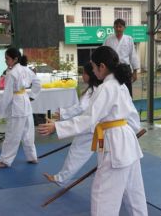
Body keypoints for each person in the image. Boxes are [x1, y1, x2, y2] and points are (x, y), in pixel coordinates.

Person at [38, 46, 148, 216]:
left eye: (94, 67)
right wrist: (136, 129)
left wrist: (57, 126)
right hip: (127, 142)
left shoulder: (106, 87)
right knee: (134, 195)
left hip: (116, 145)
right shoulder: (120, 84)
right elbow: (132, 113)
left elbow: (88, 120)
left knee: (102, 197)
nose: (93, 71)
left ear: (102, 66)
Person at [43, 63, 102, 186]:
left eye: (84, 73)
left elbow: (80, 108)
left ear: (90, 75)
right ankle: (61, 178)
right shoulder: (96, 89)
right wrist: (62, 115)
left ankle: (61, 179)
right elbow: (80, 108)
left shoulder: (93, 91)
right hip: (97, 129)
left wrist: (62, 115)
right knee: (101, 153)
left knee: (77, 152)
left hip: (91, 129)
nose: (82, 76)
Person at [0, 47, 41, 169]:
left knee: (12, 134)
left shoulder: (12, 74)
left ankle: (4, 161)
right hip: (25, 102)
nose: (6, 61)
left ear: (15, 59)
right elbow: (38, 83)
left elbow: (7, 95)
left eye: (7, 59)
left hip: (17, 106)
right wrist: (32, 96)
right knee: (28, 132)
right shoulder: (25, 69)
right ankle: (32, 157)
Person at [103, 18, 139, 96]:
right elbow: (103, 55)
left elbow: (133, 55)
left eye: (120, 27)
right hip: (113, 69)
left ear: (124, 28)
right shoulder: (108, 40)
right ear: (113, 27)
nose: (118, 29)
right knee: (113, 92)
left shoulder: (129, 39)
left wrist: (135, 72)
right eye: (116, 27)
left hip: (125, 69)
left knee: (127, 92)